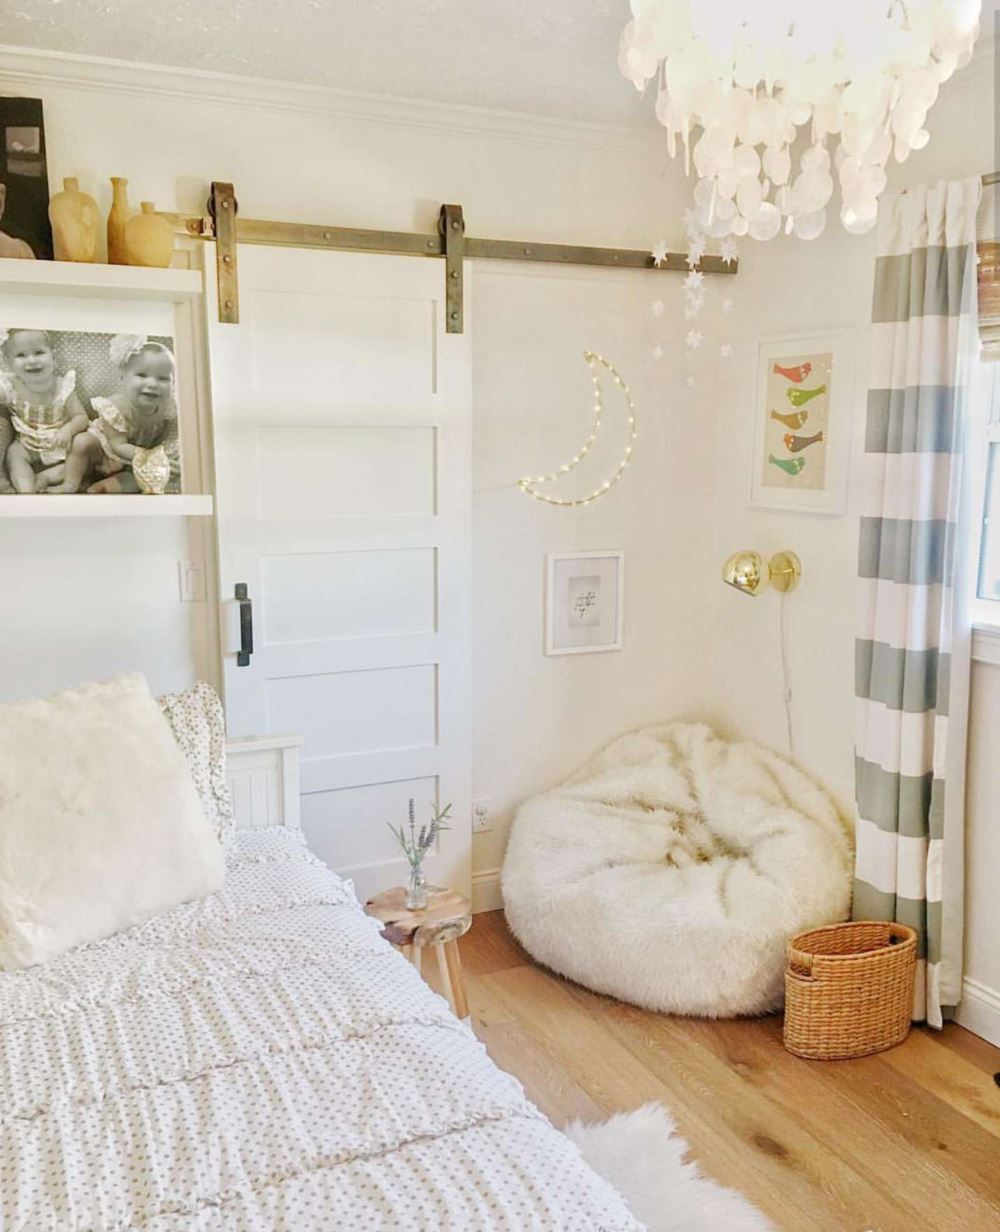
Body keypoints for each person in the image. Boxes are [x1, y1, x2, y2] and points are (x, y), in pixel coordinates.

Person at [58, 334, 180, 494]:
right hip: (103, 451)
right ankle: (70, 484)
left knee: (139, 480)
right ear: (122, 378)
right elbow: (118, 446)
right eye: (142, 375)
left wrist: (158, 459)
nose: (152, 384)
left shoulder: (168, 407)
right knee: (82, 442)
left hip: (130, 459)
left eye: (163, 378)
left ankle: (98, 487)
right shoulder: (115, 408)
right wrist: (150, 458)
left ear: (173, 383)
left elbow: (161, 439)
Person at [0, 328, 88, 492]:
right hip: (27, 444)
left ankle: (46, 477)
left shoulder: (63, 386)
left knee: (80, 457)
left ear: (53, 356)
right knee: (14, 454)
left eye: (39, 352)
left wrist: (67, 430)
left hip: (61, 446)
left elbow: (81, 417)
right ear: (8, 362)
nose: (31, 360)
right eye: (21, 355)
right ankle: (27, 491)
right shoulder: (10, 386)